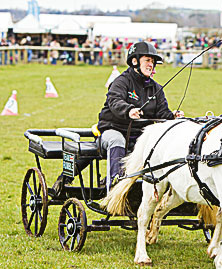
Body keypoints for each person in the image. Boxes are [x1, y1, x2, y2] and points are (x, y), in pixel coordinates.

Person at [53, 41, 183, 194]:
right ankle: (114, 183)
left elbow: (162, 114)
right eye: (147, 60)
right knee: (117, 140)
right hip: (112, 130)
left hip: (138, 136)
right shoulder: (121, 82)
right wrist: (128, 110)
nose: (151, 65)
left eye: (153, 62)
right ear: (135, 61)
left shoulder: (156, 89)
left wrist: (172, 116)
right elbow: (114, 101)